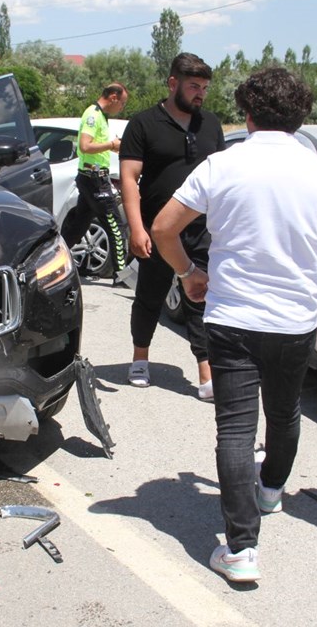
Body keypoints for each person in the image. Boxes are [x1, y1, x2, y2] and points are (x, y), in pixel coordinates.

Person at [153, 68, 317, 582]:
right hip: (294, 320)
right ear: (300, 117)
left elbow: (162, 227)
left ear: (246, 113)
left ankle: (241, 549)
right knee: (286, 412)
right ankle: (271, 491)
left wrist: (188, 273)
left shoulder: (222, 164)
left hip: (233, 317)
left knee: (235, 430)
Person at [119, 53, 224, 400]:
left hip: (201, 230)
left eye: (205, 88)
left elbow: (223, 178)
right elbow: (130, 179)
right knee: (149, 297)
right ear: (172, 83)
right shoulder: (144, 123)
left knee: (201, 298)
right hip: (156, 229)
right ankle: (140, 359)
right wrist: (136, 228)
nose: (200, 94)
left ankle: (206, 373)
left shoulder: (210, 124)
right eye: (194, 86)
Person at [62, 83, 129, 276]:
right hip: (94, 179)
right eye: (122, 103)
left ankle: (57, 261)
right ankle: (121, 274)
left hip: (91, 177)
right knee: (116, 225)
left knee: (79, 226)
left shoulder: (101, 116)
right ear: (113, 97)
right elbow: (85, 146)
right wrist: (111, 144)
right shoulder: (93, 115)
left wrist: (112, 145)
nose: (121, 108)